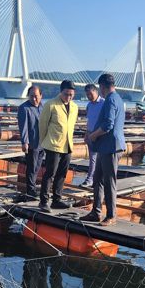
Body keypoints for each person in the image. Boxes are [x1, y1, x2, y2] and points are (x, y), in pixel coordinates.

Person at [80, 74, 125, 226]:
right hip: (104, 147)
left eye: (99, 87)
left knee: (109, 181)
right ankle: (96, 211)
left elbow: (108, 125)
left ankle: (111, 215)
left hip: (111, 146)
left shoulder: (111, 99)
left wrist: (93, 135)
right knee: (97, 179)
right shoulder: (116, 98)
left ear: (102, 86)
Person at [37, 80, 78, 212]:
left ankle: (57, 199)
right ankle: (43, 201)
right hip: (53, 145)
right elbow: (42, 125)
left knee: (62, 174)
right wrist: (44, 142)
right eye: (66, 94)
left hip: (68, 145)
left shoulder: (75, 107)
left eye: (71, 94)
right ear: (61, 92)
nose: (69, 97)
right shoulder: (51, 105)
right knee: (50, 173)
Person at [15, 86, 43, 202]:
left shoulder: (43, 107)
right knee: (31, 167)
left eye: (36, 96)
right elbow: (24, 127)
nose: (34, 99)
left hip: (43, 143)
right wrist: (24, 142)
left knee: (37, 167)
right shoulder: (24, 108)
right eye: (31, 96)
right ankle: (31, 190)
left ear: (41, 96)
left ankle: (33, 188)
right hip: (32, 143)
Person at [80, 83, 104, 189]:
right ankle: (91, 180)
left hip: (100, 135)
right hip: (90, 135)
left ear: (96, 91)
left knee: (100, 159)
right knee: (92, 159)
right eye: (87, 95)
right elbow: (89, 121)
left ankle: (94, 180)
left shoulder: (104, 103)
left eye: (90, 94)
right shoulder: (89, 105)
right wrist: (86, 134)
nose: (89, 97)